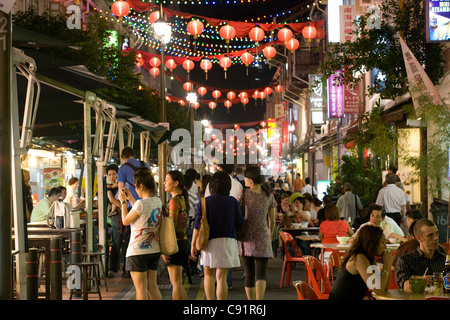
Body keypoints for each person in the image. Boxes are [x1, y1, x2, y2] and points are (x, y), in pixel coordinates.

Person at [190, 171, 244, 300]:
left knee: (208, 275)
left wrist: (193, 245)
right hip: (228, 241)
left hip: (208, 242)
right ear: (228, 186)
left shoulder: (204, 202)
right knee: (222, 277)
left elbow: (197, 226)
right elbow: (240, 223)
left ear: (211, 186)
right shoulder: (232, 201)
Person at [118, 168, 162, 300]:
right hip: (153, 249)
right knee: (152, 287)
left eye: (136, 186)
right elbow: (140, 213)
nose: (136, 189)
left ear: (141, 186)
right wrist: (130, 197)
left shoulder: (140, 204)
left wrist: (123, 202)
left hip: (138, 251)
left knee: (141, 289)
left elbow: (125, 221)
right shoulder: (157, 201)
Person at [238, 165, 276, 300]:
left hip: (246, 236)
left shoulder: (244, 194)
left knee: (249, 273)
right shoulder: (269, 196)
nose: (244, 180)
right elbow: (272, 220)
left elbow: (237, 215)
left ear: (252, 180)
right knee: (261, 274)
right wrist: (269, 235)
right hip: (263, 237)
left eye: (245, 177)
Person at [328, 225, 394, 300]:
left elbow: (384, 288)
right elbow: (378, 290)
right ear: (372, 243)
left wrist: (388, 265)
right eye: (382, 242)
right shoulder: (359, 258)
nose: (385, 246)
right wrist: (387, 264)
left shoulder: (368, 258)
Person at [117, 147, 150, 278]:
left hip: (133, 206)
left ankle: (128, 269)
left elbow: (121, 190)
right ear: (134, 155)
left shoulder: (123, 168)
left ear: (123, 157)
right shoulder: (145, 165)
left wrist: (122, 204)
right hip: (148, 203)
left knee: (131, 237)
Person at [395, 218, 447, 292]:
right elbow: (404, 286)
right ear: (419, 238)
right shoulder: (405, 260)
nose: (436, 238)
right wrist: (420, 281)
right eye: (430, 235)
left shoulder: (444, 259)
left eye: (436, 233)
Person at [163, 170, 190, 300]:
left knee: (176, 284)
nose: (164, 182)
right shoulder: (182, 199)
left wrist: (166, 250)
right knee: (178, 283)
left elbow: (170, 227)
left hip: (175, 244)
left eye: (167, 180)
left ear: (176, 183)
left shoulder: (174, 201)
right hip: (183, 242)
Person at [105, 164, 124, 277]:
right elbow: (112, 200)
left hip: (123, 212)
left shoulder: (122, 184)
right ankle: (113, 267)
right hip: (117, 214)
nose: (112, 176)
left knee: (126, 240)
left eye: (114, 174)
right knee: (117, 240)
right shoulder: (109, 187)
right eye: (110, 174)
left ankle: (125, 267)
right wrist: (124, 207)